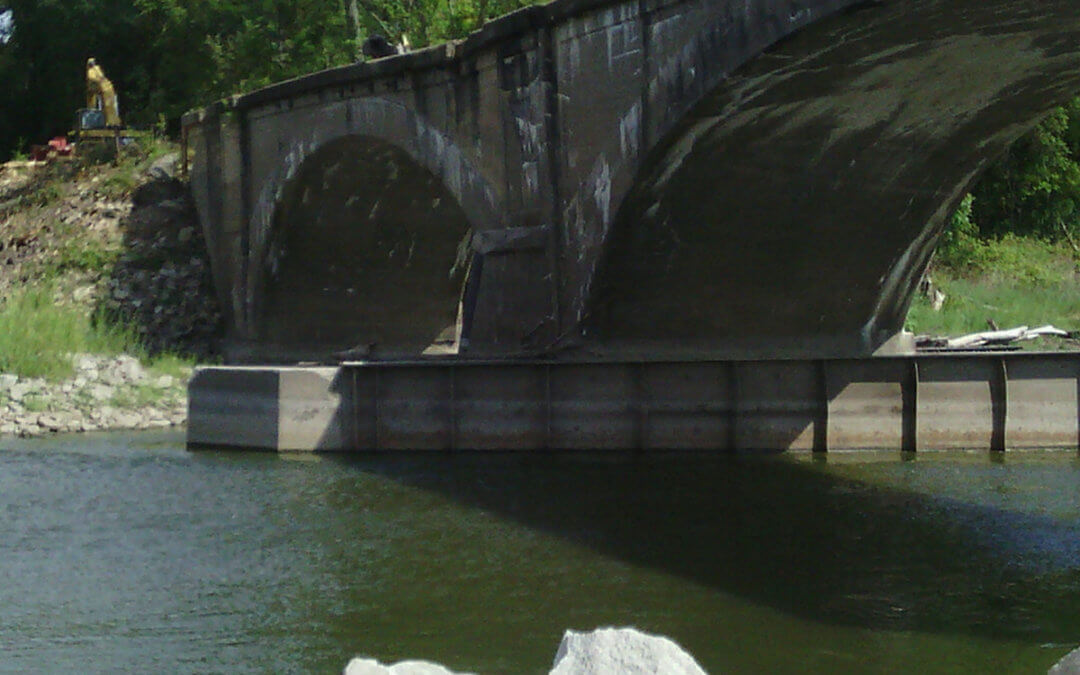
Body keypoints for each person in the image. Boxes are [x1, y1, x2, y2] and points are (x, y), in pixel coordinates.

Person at [86, 58, 121, 127]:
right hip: (108, 89)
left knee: (108, 106)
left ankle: (111, 123)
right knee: (111, 106)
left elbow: (93, 81)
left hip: (105, 90)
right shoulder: (98, 70)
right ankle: (113, 123)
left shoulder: (91, 72)